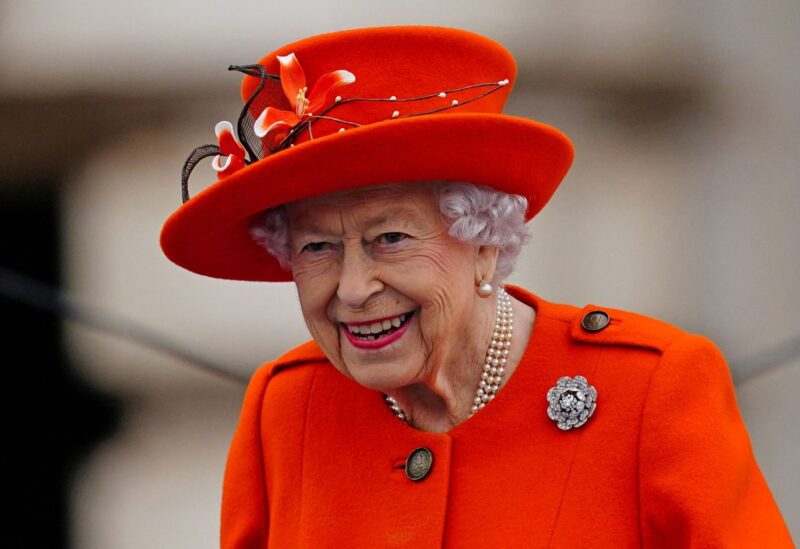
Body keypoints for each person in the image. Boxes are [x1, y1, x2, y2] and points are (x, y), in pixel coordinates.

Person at [160, 25, 793, 548]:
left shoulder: (651, 389)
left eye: (391, 239)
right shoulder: (284, 409)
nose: (352, 289)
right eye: (317, 247)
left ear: (485, 242)